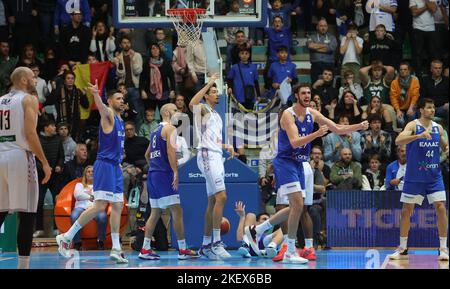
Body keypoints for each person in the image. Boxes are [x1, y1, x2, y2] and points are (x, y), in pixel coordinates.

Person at [245, 84, 368, 263]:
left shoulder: (312, 113)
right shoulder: (288, 114)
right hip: (286, 162)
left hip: (299, 163)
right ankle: (289, 250)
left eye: (309, 93)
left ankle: (257, 230)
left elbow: (338, 128)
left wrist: (359, 125)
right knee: (297, 204)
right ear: (296, 95)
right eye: (303, 93)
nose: (307, 96)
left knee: (298, 207)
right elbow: (295, 142)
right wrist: (317, 133)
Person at [56, 81, 129, 264]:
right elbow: (103, 109)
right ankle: (66, 236)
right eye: (118, 98)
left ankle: (116, 248)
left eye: (123, 98)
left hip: (115, 166)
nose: (122, 101)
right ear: (110, 101)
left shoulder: (120, 120)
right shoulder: (109, 115)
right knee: (100, 205)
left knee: (118, 206)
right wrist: (97, 95)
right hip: (104, 165)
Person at [0, 67, 52, 269]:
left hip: (1, 154)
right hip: (19, 156)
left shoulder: (1, 100)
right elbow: (31, 134)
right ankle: (23, 266)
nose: (35, 80)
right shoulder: (28, 99)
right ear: (22, 80)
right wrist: (45, 163)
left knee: (2, 210)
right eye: (32, 77)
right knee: (28, 211)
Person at [388, 98, 449, 261]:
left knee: (441, 207)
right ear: (421, 110)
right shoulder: (413, 125)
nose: (432, 111)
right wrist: (418, 136)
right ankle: (402, 248)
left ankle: (443, 248)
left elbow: (445, 146)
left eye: (433, 108)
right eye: (429, 108)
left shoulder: (439, 128)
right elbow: (398, 140)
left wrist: (447, 148)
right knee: (407, 210)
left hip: (434, 176)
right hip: (414, 177)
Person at [138, 103, 199, 260]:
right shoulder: (170, 128)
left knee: (156, 212)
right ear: (166, 113)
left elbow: (147, 155)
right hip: (164, 175)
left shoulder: (154, 131)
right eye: (174, 110)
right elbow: (171, 152)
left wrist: (155, 166)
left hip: (153, 174)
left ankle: (145, 249)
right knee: (177, 211)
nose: (177, 113)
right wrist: (175, 172)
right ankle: (183, 249)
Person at [189, 73, 236, 260]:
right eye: (213, 92)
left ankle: (205, 246)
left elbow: (213, 138)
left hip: (216, 154)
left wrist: (226, 146)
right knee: (222, 196)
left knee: (212, 202)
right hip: (207, 155)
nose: (217, 94)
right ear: (207, 96)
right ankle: (216, 243)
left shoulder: (216, 114)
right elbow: (192, 103)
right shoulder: (203, 109)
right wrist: (208, 83)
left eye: (217, 92)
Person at [71, 165, 107, 251]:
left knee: (102, 217)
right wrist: (91, 197)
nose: (91, 173)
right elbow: (78, 195)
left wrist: (86, 196)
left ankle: (100, 241)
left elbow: (102, 197)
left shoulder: (100, 186)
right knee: (74, 216)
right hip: (81, 207)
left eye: (93, 172)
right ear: (85, 174)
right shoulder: (79, 185)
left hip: (95, 208)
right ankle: (77, 242)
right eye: (88, 171)